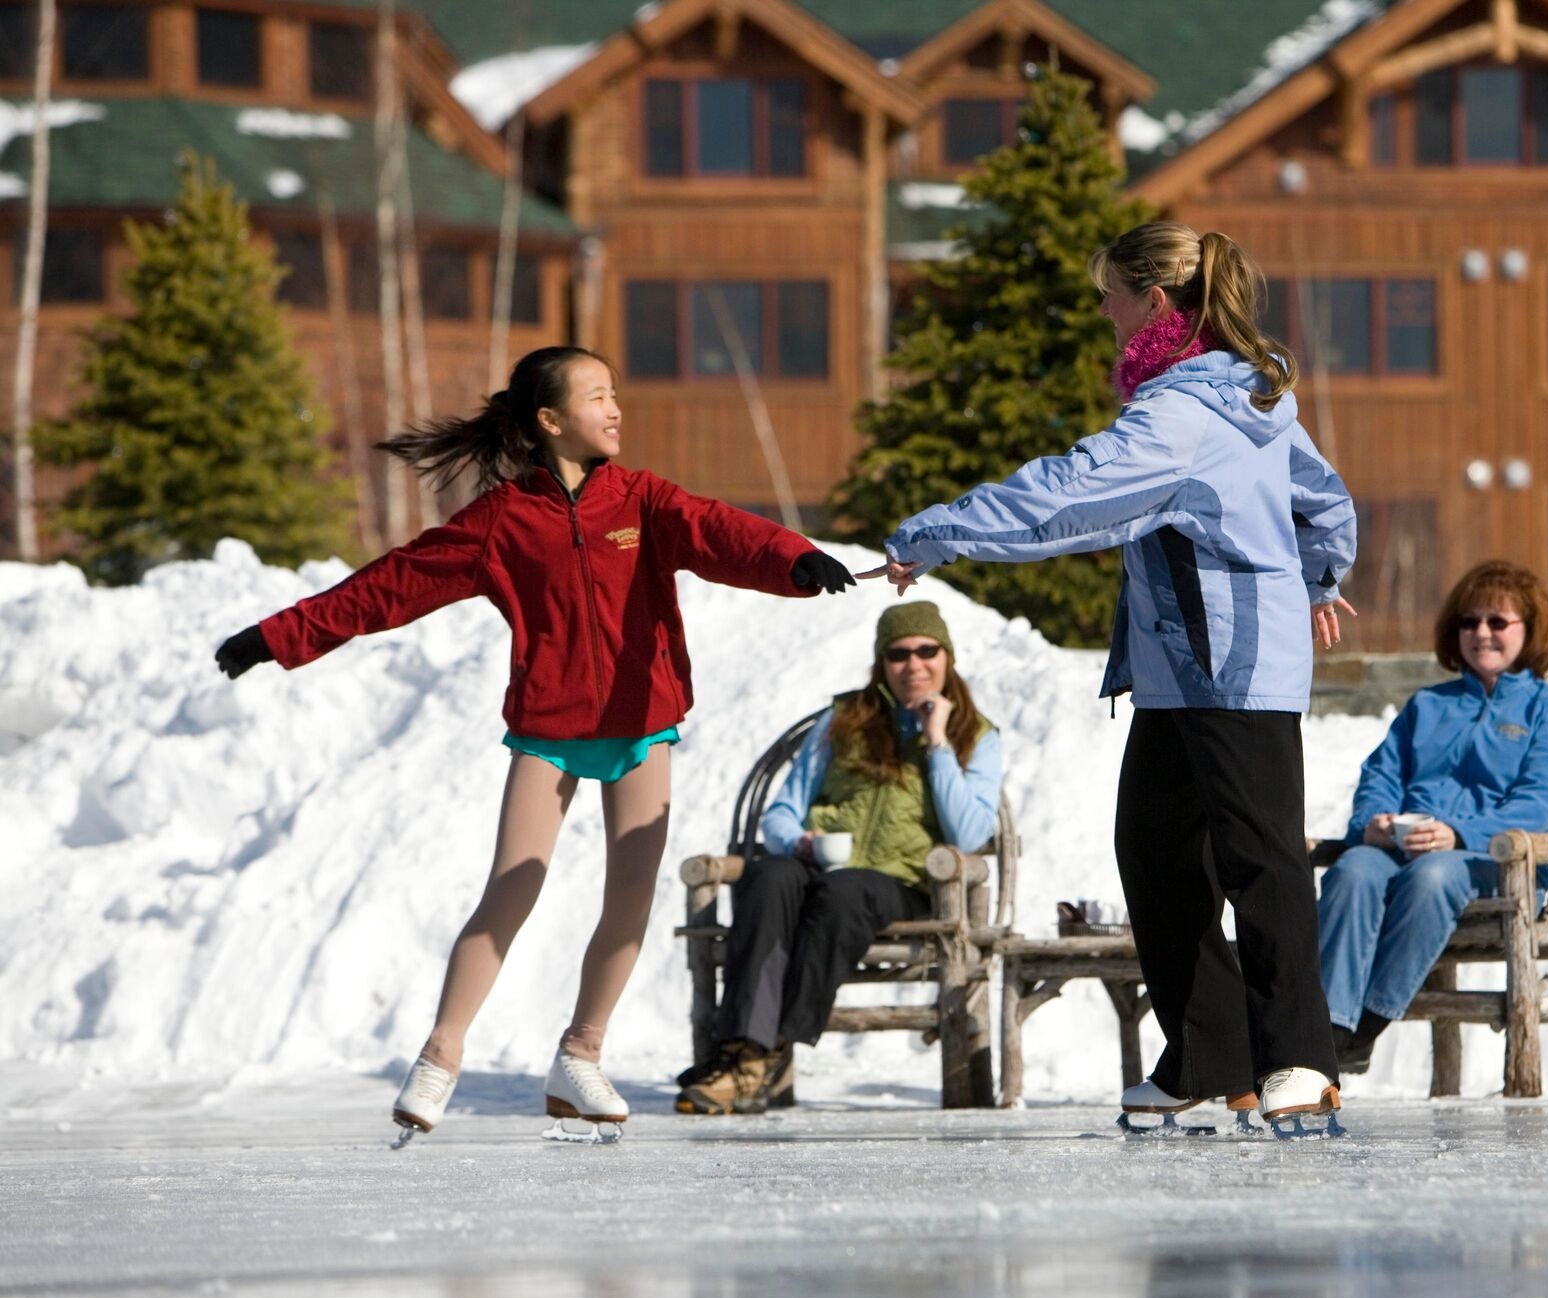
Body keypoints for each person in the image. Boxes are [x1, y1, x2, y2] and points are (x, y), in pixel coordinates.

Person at [211, 345, 855, 1141]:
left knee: (629, 895)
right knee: (513, 885)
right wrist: (276, 637)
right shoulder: (502, 522)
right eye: (597, 397)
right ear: (551, 421)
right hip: (549, 728)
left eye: (616, 393)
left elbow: (722, 531)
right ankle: (441, 1056)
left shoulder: (644, 502)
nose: (616, 408)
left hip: (640, 723)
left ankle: (581, 1054)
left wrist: (795, 560)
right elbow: (393, 585)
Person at [866, 223, 1359, 1131]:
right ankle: (1213, 1056)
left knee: (1261, 861)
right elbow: (1324, 501)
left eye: (1110, 294)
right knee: (1157, 856)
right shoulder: (1238, 400)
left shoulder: (1187, 413)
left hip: (1234, 662)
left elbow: (1072, 493)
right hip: (1180, 666)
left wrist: (937, 531)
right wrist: (1319, 573)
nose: (1102, 310)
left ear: (1156, 305)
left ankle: (1300, 1059)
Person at [677, 601, 1002, 1115]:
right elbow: (783, 813)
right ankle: (743, 1050)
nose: (913, 664)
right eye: (898, 654)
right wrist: (799, 844)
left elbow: (968, 832)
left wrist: (938, 743)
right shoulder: (843, 720)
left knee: (844, 889)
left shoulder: (975, 736)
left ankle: (766, 1050)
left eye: (926, 650)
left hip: (901, 885)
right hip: (820, 870)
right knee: (769, 875)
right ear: (881, 662)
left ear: (947, 656)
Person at [1317, 560, 1548, 1074]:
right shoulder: (1428, 706)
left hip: (1500, 867)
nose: (1481, 633)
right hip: (1406, 849)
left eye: (1497, 622)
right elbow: (1382, 774)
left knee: (1434, 873)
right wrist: (1373, 822)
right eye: (1469, 622)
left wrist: (1459, 833)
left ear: (1529, 631)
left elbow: (1539, 806)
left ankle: (1365, 1026)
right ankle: (1329, 1025)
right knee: (1354, 869)